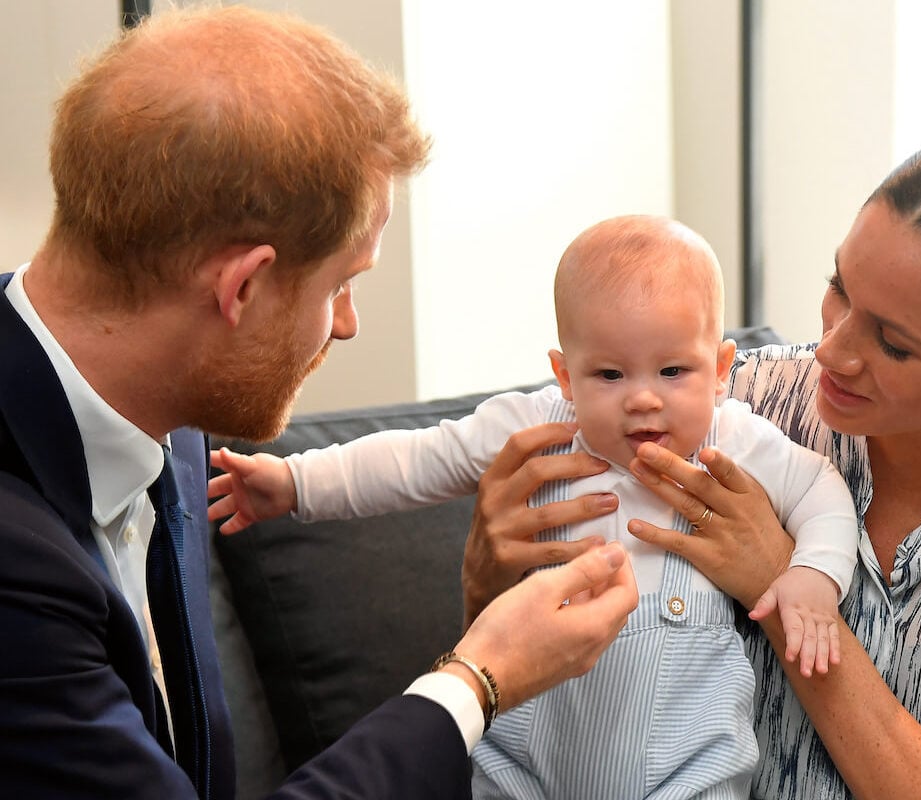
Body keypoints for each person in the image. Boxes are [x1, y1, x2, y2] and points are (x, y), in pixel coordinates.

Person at [0, 6, 638, 799]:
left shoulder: (174, 415)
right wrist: (480, 677)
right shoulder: (15, 563)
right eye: (341, 284)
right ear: (244, 286)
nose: (347, 324)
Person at [461, 123, 921, 799]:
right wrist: (487, 577)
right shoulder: (727, 406)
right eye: (839, 286)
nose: (833, 350)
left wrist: (783, 588)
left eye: (893, 342)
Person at [207, 214, 860, 798]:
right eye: (609, 374)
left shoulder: (735, 438)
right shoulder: (535, 428)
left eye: (673, 372)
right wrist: (294, 484)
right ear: (564, 374)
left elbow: (821, 491)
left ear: (720, 370)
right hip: (528, 764)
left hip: (687, 771)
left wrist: (811, 578)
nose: (643, 399)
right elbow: (416, 460)